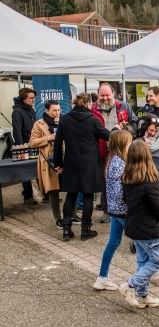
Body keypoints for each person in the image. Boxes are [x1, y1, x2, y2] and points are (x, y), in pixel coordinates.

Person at [120, 140, 159, 308]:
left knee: (143, 262)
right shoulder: (149, 181)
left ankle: (143, 295)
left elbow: (124, 200)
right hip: (148, 228)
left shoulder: (127, 178)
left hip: (134, 226)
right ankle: (129, 285)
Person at [53, 93, 110, 241]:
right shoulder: (93, 121)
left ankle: (66, 230)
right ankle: (86, 230)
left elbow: (57, 144)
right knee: (88, 196)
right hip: (89, 165)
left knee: (70, 195)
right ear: (88, 104)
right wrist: (119, 130)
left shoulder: (65, 120)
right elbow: (107, 135)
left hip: (71, 163)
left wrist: (58, 163)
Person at [91, 82, 138, 223]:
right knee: (106, 181)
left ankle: (125, 208)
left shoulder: (124, 106)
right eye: (102, 95)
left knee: (124, 180)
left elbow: (134, 122)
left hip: (121, 151)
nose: (105, 98)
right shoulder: (92, 109)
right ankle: (107, 211)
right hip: (101, 150)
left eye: (107, 95)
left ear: (114, 94)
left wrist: (127, 128)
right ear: (97, 94)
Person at [93, 130, 133, 291]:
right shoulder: (120, 163)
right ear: (123, 144)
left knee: (113, 243)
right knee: (143, 242)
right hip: (123, 210)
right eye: (129, 142)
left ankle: (102, 277)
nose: (131, 145)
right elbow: (122, 189)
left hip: (114, 210)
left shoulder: (112, 160)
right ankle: (152, 270)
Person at [29, 100, 63, 227]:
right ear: (47, 111)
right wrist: (49, 138)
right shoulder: (39, 124)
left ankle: (72, 215)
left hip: (64, 159)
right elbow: (32, 142)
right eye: (54, 110)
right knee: (53, 190)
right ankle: (58, 218)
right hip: (49, 161)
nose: (57, 113)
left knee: (71, 187)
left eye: (59, 110)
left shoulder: (63, 121)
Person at [12, 87, 37, 204]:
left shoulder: (31, 110)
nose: (33, 100)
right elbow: (17, 131)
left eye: (34, 98)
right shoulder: (17, 112)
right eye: (31, 98)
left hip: (34, 144)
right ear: (23, 99)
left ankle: (45, 194)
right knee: (25, 172)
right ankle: (28, 196)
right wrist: (21, 147)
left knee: (36, 170)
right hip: (24, 146)